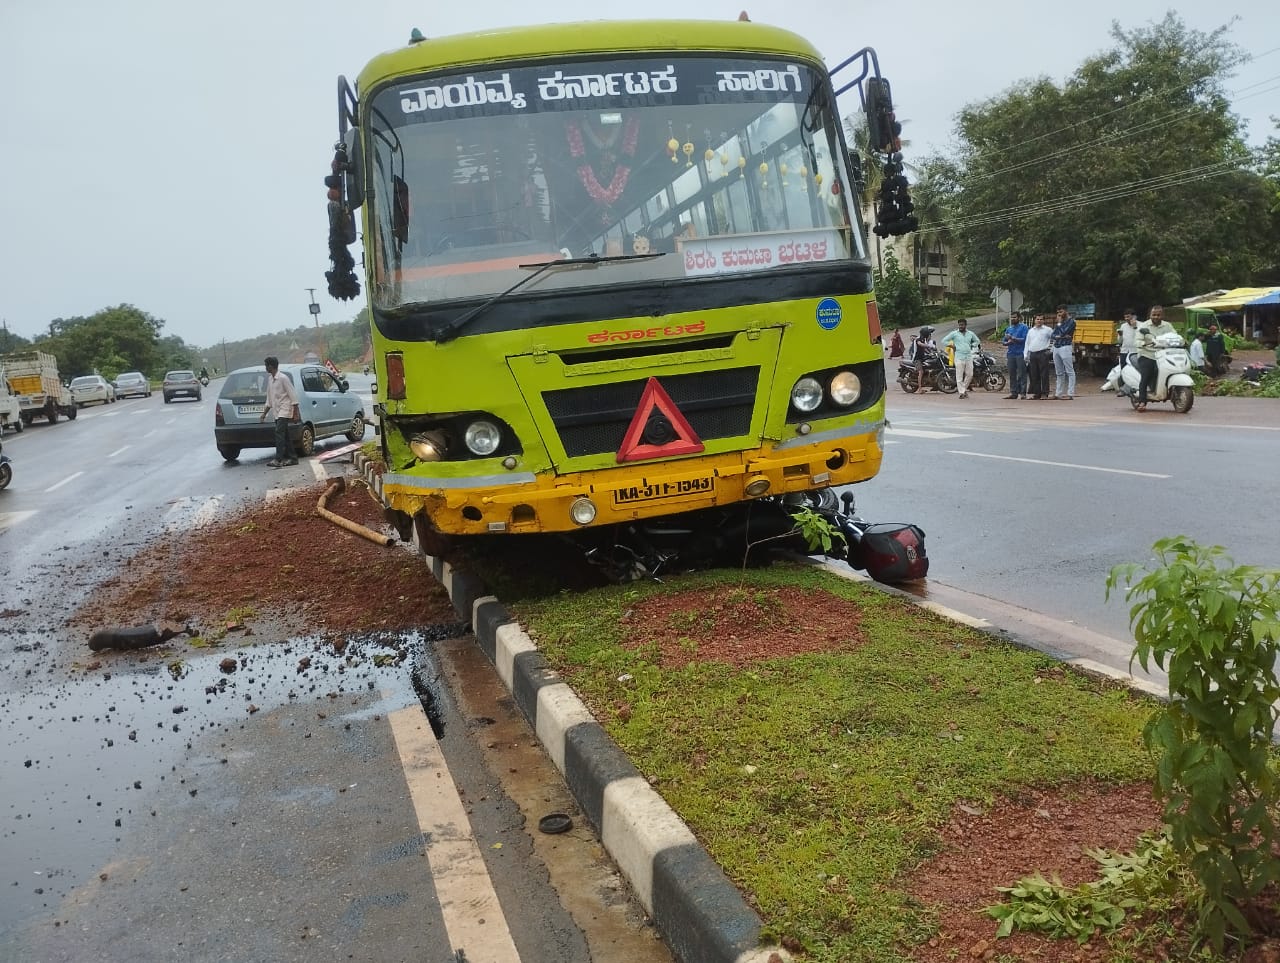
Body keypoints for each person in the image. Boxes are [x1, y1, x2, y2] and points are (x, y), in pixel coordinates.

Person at [259, 356, 300, 467]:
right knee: (285, 435)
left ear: (270, 366)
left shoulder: (283, 378)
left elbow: (293, 396)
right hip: (277, 411)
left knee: (279, 433)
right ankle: (293, 458)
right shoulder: (270, 379)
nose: (265, 368)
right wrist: (264, 413)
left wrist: (296, 413)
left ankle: (278, 459)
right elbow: (269, 399)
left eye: (266, 366)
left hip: (285, 409)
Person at [1133, 306, 1176, 412]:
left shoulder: (1168, 326)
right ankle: (1142, 401)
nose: (1156, 317)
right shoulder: (1144, 326)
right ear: (1150, 315)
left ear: (1163, 315)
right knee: (1146, 376)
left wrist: (1181, 340)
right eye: (1154, 314)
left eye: (1158, 314)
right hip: (1148, 355)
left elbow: (1175, 335)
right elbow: (1136, 341)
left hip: (1164, 355)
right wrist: (1144, 343)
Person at [940, 318, 981, 398]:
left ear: (965, 325)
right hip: (959, 356)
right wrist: (951, 345)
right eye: (959, 325)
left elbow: (977, 341)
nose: (961, 326)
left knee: (970, 374)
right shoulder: (954, 333)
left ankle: (964, 389)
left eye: (962, 325)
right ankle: (961, 393)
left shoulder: (970, 333)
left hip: (968, 356)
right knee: (959, 375)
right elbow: (944, 341)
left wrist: (972, 345)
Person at [1050, 305, 1076, 399]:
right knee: (1059, 372)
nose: (1059, 314)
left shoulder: (1071, 322)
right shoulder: (1059, 323)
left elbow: (1063, 332)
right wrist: (1059, 332)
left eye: (1061, 312)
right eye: (1058, 313)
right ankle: (1058, 393)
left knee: (1069, 370)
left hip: (1065, 346)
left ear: (1066, 311)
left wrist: (1059, 324)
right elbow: (1053, 335)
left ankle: (1070, 393)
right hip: (1056, 346)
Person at [1024, 314, 1053, 399]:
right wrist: (1026, 354)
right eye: (1037, 319)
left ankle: (1044, 393)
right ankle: (1037, 393)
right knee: (1034, 374)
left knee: (1044, 374)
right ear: (1034, 320)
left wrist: (1051, 350)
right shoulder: (1031, 331)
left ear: (1043, 320)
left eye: (1041, 319)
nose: (1039, 321)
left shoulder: (1048, 330)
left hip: (1043, 353)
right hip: (1033, 354)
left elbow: (1055, 339)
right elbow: (1027, 343)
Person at [1001, 314, 1028, 399]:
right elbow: (1004, 341)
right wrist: (1007, 342)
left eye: (1015, 317)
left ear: (1019, 318)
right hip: (1011, 353)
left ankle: (1023, 392)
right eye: (1011, 317)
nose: (1013, 319)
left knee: (1021, 374)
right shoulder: (1009, 328)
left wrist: (1013, 338)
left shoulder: (1024, 327)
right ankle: (1013, 392)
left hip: (1020, 353)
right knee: (1012, 374)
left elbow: (1024, 339)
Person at [907, 326, 937, 391]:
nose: (929, 335)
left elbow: (926, 348)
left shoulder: (924, 339)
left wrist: (932, 351)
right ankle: (920, 389)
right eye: (929, 334)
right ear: (925, 334)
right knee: (921, 372)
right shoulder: (918, 339)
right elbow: (921, 344)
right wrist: (929, 346)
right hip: (916, 359)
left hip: (922, 357)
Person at [1116, 309, 1140, 374]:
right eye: (1125, 317)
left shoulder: (1141, 325)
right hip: (1124, 351)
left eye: (1128, 317)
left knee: (1136, 370)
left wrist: (1135, 327)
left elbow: (1141, 337)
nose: (1126, 319)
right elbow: (1120, 341)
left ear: (1134, 316)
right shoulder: (1123, 326)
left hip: (1136, 352)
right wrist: (1120, 335)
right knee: (1123, 369)